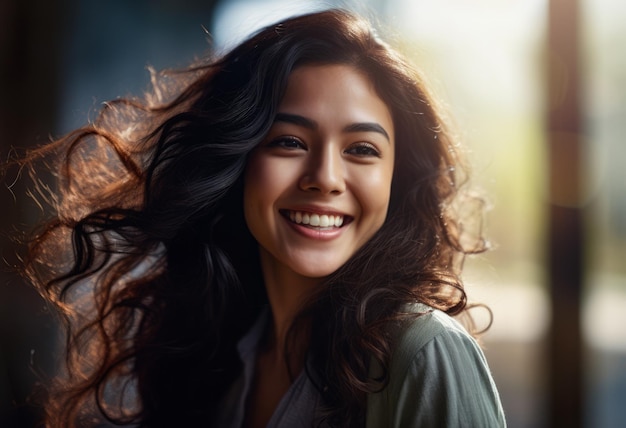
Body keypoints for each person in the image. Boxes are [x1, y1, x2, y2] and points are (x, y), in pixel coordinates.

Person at [20, 8, 506, 428]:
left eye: (361, 149)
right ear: (236, 160)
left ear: (396, 180)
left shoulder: (423, 353)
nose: (325, 178)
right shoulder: (219, 352)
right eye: (289, 141)